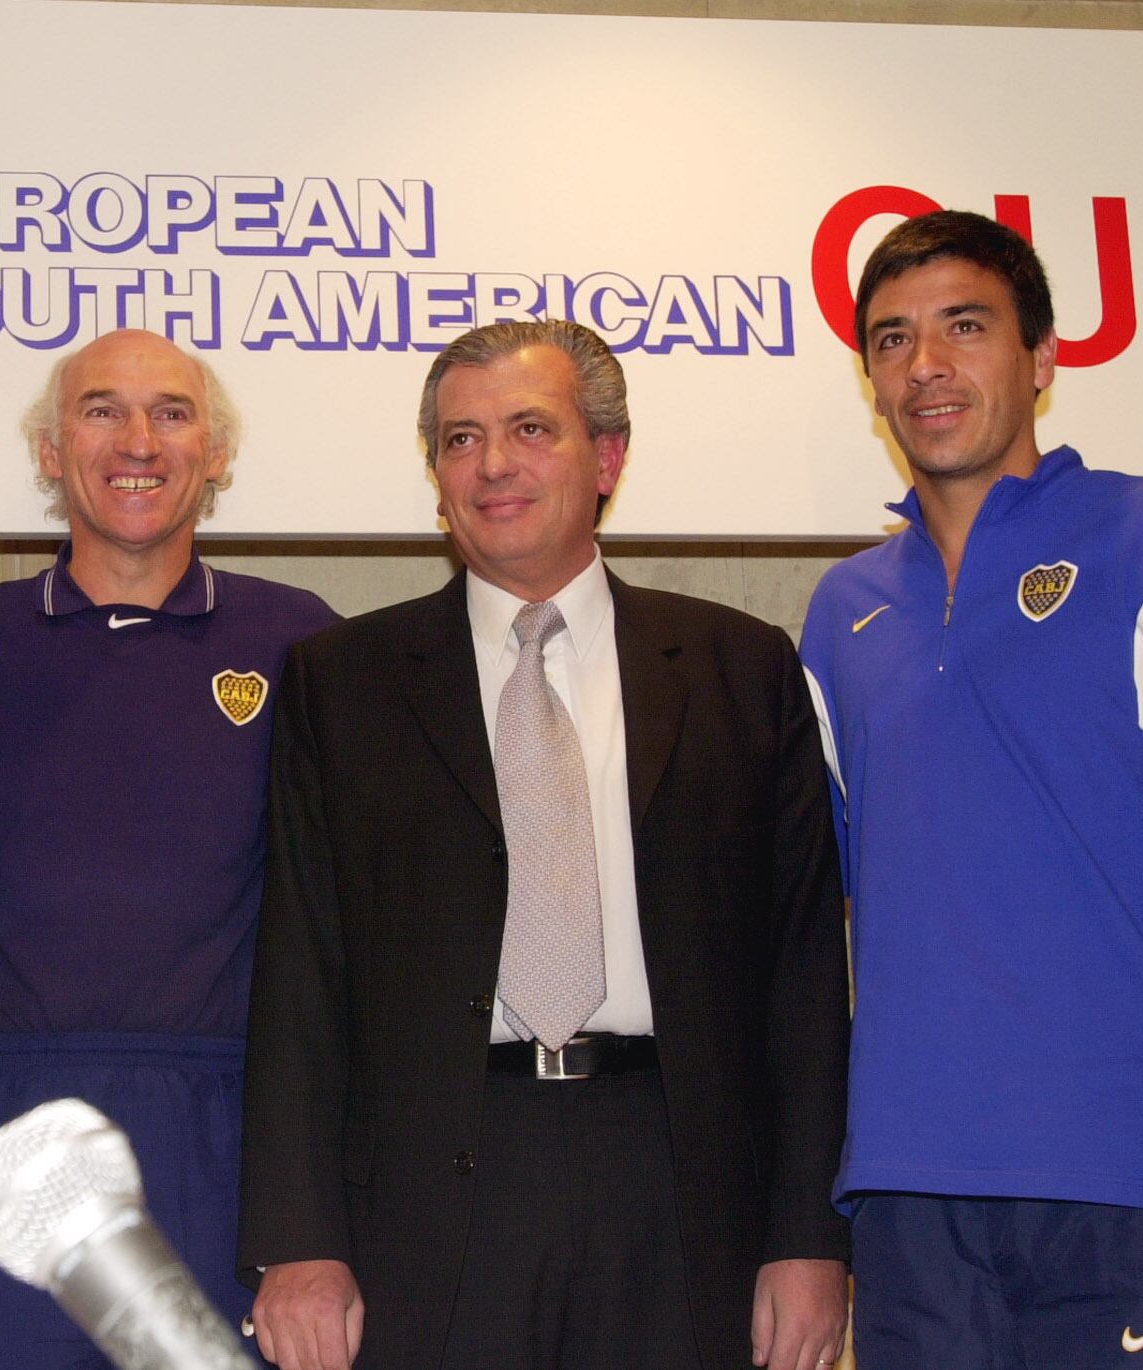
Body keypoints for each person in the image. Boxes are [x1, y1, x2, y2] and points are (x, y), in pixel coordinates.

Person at [238, 319, 851, 1370]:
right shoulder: (341, 683)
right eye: (460, 437)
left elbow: (800, 975)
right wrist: (295, 1242)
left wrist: (807, 1235)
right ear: (435, 474)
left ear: (606, 456)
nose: (492, 464)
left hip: (680, 1179)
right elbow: (300, 974)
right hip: (432, 1200)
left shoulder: (739, 669)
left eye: (529, 427)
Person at [799, 209, 1143, 1369]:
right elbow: (818, 910)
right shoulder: (842, 613)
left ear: (1039, 360)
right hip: (905, 1202)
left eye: (963, 326)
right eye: (891, 339)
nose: (924, 364)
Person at [0, 328, 338, 1368]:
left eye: (172, 412)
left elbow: (344, 908)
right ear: (50, 452)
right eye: (100, 409)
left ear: (216, 454)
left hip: (220, 1138)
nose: (136, 438)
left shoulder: (302, 640)